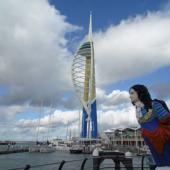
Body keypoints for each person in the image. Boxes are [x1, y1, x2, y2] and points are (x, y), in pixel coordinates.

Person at [129, 84, 170, 169]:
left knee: (166, 162)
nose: (130, 96)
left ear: (139, 93)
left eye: (132, 93)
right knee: (159, 162)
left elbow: (167, 119)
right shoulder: (138, 109)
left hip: (161, 138)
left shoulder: (154, 104)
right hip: (150, 140)